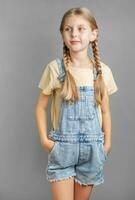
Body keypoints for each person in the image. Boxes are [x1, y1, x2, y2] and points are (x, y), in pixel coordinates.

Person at [36, 7, 118, 200]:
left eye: (81, 29)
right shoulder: (56, 69)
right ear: (62, 34)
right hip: (62, 149)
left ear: (93, 34)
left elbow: (105, 111)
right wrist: (45, 141)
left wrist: (107, 144)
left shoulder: (102, 72)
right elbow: (40, 107)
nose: (74, 33)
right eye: (68, 29)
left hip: (92, 151)